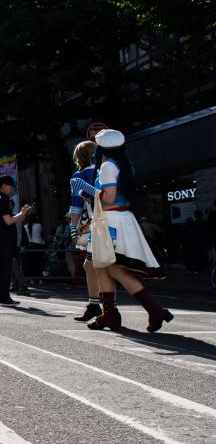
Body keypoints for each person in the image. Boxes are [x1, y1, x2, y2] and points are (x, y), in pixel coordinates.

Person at [71, 129, 172, 332]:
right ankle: (116, 313)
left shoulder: (108, 166)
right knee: (108, 268)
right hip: (117, 219)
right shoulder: (123, 164)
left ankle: (140, 311)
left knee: (108, 267)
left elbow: (108, 197)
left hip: (109, 221)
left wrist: (86, 189)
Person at [68, 140, 101, 321]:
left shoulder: (79, 176)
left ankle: (101, 306)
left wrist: (73, 229)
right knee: (95, 265)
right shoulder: (105, 170)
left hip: (94, 224)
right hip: (115, 220)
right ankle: (97, 305)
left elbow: (76, 206)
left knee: (99, 266)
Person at [0, 176, 32, 306]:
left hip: (4, 240)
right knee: (5, 269)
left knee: (5, 269)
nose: (12, 189)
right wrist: (22, 213)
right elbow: (9, 221)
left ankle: (2, 297)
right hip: (5, 241)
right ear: (4, 186)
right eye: (10, 186)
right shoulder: (2, 200)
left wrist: (22, 213)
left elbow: (11, 220)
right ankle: (3, 298)